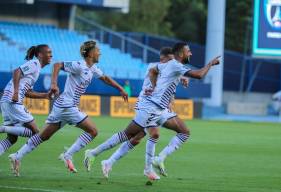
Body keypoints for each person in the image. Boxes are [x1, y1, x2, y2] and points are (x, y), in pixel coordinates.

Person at [83, 42, 220, 180]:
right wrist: (210, 64)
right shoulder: (173, 64)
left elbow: (155, 72)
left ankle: (154, 161)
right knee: (129, 134)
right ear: (178, 54)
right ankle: (95, 154)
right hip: (149, 106)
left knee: (171, 133)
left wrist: (169, 84)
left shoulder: (168, 66)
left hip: (158, 108)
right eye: (188, 51)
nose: (190, 53)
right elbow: (199, 75)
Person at [8, 40, 128, 176]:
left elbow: (105, 78)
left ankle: (17, 156)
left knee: (44, 136)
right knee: (93, 131)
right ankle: (68, 155)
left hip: (62, 106)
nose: (100, 52)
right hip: (67, 105)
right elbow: (57, 65)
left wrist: (120, 89)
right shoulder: (79, 65)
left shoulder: (92, 68)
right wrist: (54, 83)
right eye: (97, 50)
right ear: (90, 54)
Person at [94, 47, 189, 180]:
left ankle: (110, 162)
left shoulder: (169, 70)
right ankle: (97, 154)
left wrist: (181, 79)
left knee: (139, 137)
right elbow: (158, 75)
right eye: (171, 60)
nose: (173, 63)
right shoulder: (154, 67)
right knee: (134, 134)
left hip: (156, 108)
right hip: (146, 105)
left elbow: (170, 83)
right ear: (164, 58)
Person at [0, 45, 52, 160]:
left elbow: (28, 92)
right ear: (40, 55)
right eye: (48, 52)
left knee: (12, 139)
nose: (51, 55)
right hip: (13, 99)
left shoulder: (37, 69)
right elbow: (17, 71)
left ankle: (4, 129)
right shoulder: (34, 64)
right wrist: (16, 92)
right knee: (36, 132)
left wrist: (45, 95)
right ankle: (3, 129)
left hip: (6, 100)